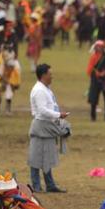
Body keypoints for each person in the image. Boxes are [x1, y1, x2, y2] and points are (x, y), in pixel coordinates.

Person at [28, 64, 70, 193]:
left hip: (47, 124)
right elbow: (42, 110)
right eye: (50, 74)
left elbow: (51, 107)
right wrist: (59, 115)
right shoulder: (39, 90)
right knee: (36, 156)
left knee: (46, 155)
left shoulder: (46, 89)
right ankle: (36, 186)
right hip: (41, 125)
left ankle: (49, 184)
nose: (52, 76)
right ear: (43, 75)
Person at [87, 40, 105, 121]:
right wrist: (98, 73)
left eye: (100, 46)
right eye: (97, 46)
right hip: (95, 80)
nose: (99, 48)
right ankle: (93, 116)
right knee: (94, 99)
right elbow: (90, 69)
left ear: (103, 48)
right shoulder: (93, 57)